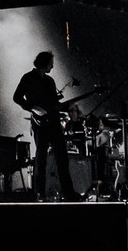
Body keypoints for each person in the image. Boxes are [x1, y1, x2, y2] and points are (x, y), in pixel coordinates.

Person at [11, 51, 80, 201]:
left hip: (54, 122)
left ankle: (68, 193)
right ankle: (39, 193)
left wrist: (67, 107)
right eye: (51, 64)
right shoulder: (28, 78)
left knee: (62, 156)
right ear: (44, 63)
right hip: (39, 124)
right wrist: (33, 108)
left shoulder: (50, 81)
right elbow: (16, 97)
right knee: (40, 158)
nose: (53, 66)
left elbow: (54, 104)